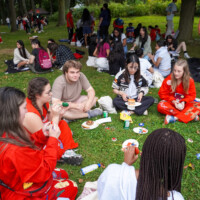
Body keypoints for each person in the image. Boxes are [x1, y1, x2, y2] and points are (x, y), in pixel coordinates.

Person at [0, 87, 78, 200]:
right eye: (24, 108)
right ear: (13, 112)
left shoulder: (7, 132)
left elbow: (27, 147)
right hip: (22, 193)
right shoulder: (14, 149)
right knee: (71, 186)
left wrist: (41, 135)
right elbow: (44, 172)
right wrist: (52, 139)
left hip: (20, 178)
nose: (26, 111)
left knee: (62, 173)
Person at [98, 128, 186, 200]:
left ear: (143, 153)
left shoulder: (112, 172)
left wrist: (125, 167)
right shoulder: (177, 198)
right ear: (176, 166)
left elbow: (105, 192)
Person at [23, 77, 82, 165]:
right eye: (48, 92)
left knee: (63, 123)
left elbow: (53, 121)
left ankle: (67, 150)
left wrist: (59, 114)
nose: (51, 94)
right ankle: (61, 153)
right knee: (55, 139)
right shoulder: (30, 115)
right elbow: (46, 136)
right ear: (37, 95)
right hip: (35, 142)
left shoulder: (44, 101)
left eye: (50, 90)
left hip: (46, 131)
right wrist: (56, 116)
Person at [158, 59, 200, 124]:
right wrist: (174, 101)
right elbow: (162, 93)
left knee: (198, 105)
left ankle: (174, 118)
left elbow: (192, 95)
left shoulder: (190, 81)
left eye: (179, 71)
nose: (176, 73)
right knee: (161, 105)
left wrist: (183, 102)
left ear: (184, 72)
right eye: (174, 70)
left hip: (185, 104)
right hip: (172, 103)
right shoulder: (169, 79)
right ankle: (189, 115)